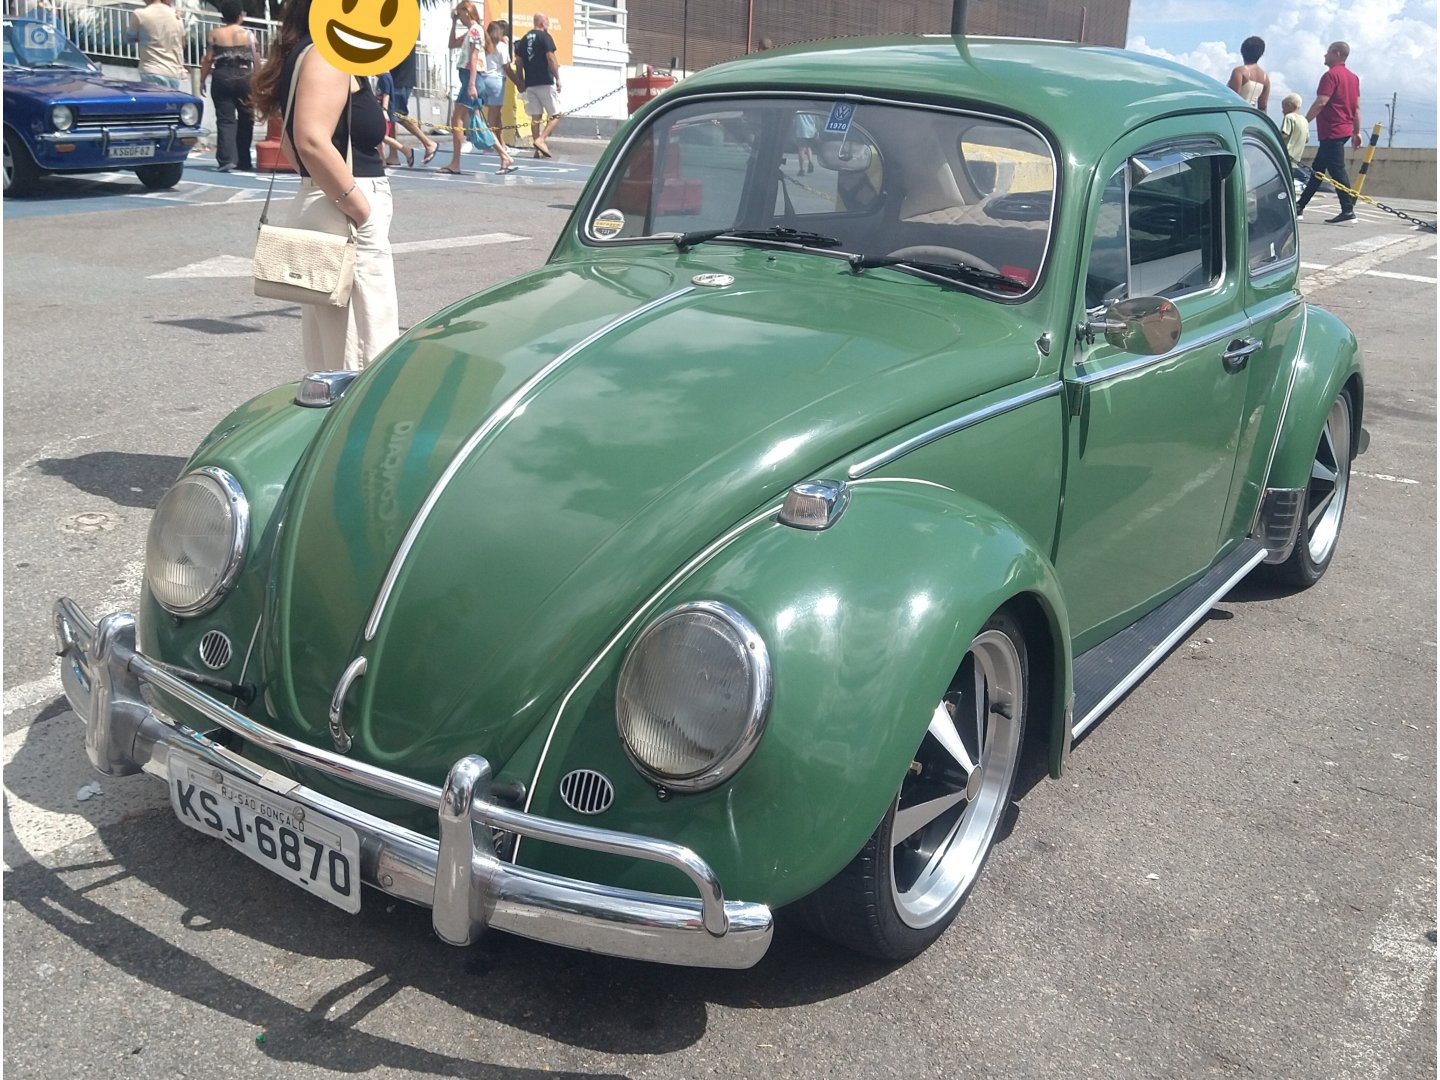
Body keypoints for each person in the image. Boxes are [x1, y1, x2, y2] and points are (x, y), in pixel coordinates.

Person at [251, 0, 398, 371]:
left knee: (334, 356)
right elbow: (311, 140)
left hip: (328, 202)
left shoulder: (305, 51)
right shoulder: (330, 54)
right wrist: (359, 208)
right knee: (364, 357)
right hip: (344, 209)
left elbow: (290, 135)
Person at [1295, 40, 1362, 224]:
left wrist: (1303, 121)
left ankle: (1348, 210)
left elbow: (1321, 102)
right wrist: (1356, 132)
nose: (1325, 55)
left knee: (1337, 171)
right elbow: (1356, 108)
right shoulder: (1353, 78)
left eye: (1329, 52)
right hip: (1344, 130)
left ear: (1337, 53)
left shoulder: (1330, 76)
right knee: (1318, 171)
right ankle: (1299, 206)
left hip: (1332, 130)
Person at [199, 0, 257, 172]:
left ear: (223, 16)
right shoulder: (250, 35)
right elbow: (256, 59)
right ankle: (244, 160)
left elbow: (208, 59)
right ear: (241, 15)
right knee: (247, 118)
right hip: (244, 75)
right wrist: (259, 80)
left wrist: (202, 80)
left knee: (225, 119)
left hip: (222, 75)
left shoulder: (215, 34)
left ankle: (226, 159)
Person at [438, 1, 485, 175]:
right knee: (475, 121)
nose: (459, 17)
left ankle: (456, 162)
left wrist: (471, 84)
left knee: (457, 119)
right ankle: (503, 155)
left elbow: (474, 57)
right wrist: (453, 24)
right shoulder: (470, 31)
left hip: (471, 77)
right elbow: (452, 44)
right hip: (469, 78)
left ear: (467, 12)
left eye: (460, 13)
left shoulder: (474, 30)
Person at [516, 13, 561, 158]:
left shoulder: (524, 39)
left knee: (536, 116)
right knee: (555, 115)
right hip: (545, 81)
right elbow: (550, 57)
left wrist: (520, 80)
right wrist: (557, 77)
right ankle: (541, 140)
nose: (548, 25)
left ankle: (537, 150)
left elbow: (518, 61)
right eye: (547, 22)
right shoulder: (545, 37)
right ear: (542, 23)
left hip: (530, 82)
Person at [386, 46, 439, 167]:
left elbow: (397, 53)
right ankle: (393, 155)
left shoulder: (403, 32)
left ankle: (428, 143)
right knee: (392, 116)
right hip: (398, 77)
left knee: (398, 114)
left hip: (400, 78)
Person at [482, 20, 518, 173]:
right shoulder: (502, 47)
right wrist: (518, 81)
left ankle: (500, 144)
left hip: (483, 78)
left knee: (494, 116)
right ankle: (492, 144)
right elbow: (506, 67)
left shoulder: (484, 45)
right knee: (494, 116)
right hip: (496, 80)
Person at [127, 0, 185, 89]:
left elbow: (130, 38)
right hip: (173, 72)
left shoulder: (140, 14)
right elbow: (183, 43)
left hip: (151, 68)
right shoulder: (176, 15)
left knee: (153, 102)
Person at [374, 70, 409, 166]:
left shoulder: (384, 77)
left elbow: (386, 94)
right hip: (383, 112)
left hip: (385, 112)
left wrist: (384, 110)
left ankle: (405, 150)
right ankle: (381, 159)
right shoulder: (385, 77)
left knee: (382, 137)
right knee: (380, 138)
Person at [1226, 35, 1270, 111]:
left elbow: (1233, 99)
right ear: (1261, 54)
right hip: (1252, 115)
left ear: (1243, 51)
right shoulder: (1265, 78)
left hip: (1238, 113)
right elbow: (1263, 107)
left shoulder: (1240, 71)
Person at [1280, 91, 1311, 185]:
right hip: (1296, 160)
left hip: (1285, 157)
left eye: (1283, 107)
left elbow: (1284, 134)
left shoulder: (1289, 117)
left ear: (1289, 105)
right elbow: (1307, 139)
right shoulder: (1304, 120)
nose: (1282, 111)